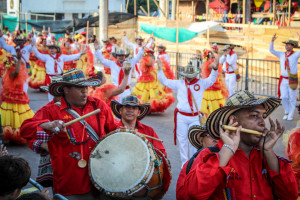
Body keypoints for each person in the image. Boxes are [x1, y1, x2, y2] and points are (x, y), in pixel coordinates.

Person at [179, 90, 298, 199]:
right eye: (254, 116)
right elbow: (193, 193)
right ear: (234, 121)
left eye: (263, 116)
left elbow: (290, 195)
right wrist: (228, 149)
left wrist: (268, 152)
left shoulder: (265, 157)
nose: (262, 122)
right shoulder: (209, 155)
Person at [20, 69, 117, 198]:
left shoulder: (98, 106)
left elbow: (114, 130)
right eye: (79, 88)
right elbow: (25, 129)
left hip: (101, 178)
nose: (84, 91)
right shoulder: (51, 110)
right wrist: (46, 125)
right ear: (66, 89)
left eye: (86, 87)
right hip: (70, 183)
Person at [157, 56, 220, 167]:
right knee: (182, 140)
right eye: (187, 76)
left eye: (190, 76)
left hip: (195, 117)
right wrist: (159, 68)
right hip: (181, 116)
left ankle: (193, 162)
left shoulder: (201, 83)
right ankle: (184, 164)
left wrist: (215, 69)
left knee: (194, 141)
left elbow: (211, 80)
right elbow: (165, 81)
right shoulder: (180, 83)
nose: (188, 78)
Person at [110, 95, 171, 198]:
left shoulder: (149, 131)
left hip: (143, 180)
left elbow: (161, 154)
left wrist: (141, 145)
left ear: (138, 112)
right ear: (120, 110)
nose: (130, 110)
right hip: (118, 177)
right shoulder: (112, 130)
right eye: (126, 107)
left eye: (134, 108)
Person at [176, 123, 219, 199]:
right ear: (201, 140)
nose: (216, 140)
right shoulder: (190, 164)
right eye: (211, 135)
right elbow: (182, 195)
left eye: (220, 136)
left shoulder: (230, 162)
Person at [0, 51, 34, 144]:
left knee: (14, 117)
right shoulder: (12, 73)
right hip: (13, 99)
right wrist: (18, 59)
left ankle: (14, 135)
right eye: (14, 63)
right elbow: (17, 72)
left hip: (14, 98)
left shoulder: (6, 73)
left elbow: (21, 67)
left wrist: (19, 59)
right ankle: (13, 135)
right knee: (14, 118)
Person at [132, 48, 175, 113]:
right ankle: (145, 107)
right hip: (145, 79)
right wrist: (153, 59)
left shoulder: (145, 59)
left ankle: (149, 107)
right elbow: (149, 64)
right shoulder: (145, 60)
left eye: (151, 54)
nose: (151, 55)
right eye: (150, 54)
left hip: (148, 78)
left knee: (151, 93)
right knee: (145, 93)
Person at [269, 34, 300, 121]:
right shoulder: (282, 54)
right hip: (283, 79)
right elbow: (271, 50)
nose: (286, 46)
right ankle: (287, 111)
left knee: (292, 97)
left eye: (288, 44)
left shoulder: (296, 54)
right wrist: (272, 41)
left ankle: (291, 114)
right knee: (283, 97)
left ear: (293, 46)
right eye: (286, 44)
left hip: (292, 79)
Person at [201, 49, 228, 115]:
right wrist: (217, 57)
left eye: (213, 57)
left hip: (216, 87)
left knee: (218, 105)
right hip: (211, 90)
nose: (213, 58)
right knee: (212, 106)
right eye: (212, 57)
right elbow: (215, 65)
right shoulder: (209, 65)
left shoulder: (210, 63)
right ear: (208, 58)